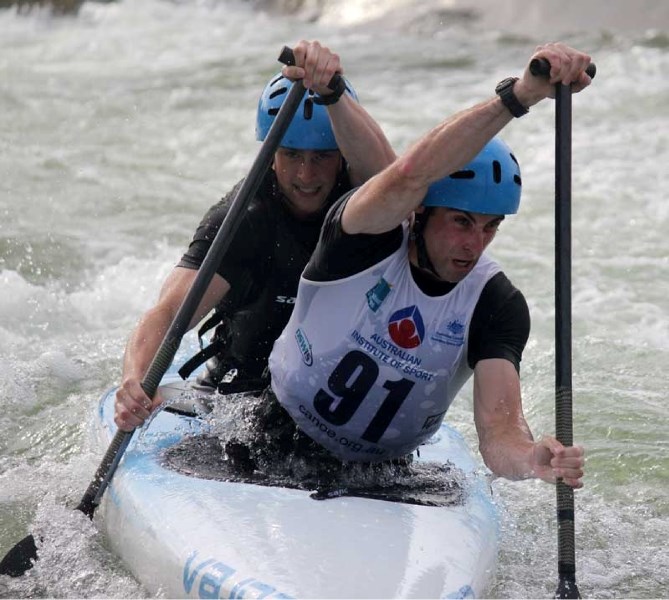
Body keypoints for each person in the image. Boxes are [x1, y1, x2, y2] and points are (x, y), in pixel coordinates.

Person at [262, 42, 592, 488]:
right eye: (460, 222)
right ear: (420, 214)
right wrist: (520, 96)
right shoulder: (364, 237)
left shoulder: (495, 302)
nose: (474, 244)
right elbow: (408, 174)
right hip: (273, 439)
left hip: (387, 475)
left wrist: (531, 459)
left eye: (490, 227)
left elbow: (499, 432)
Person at [114, 40, 395, 432]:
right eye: (292, 155)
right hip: (238, 402)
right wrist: (135, 379)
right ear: (271, 150)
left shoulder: (365, 200)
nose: (306, 175)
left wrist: (334, 94)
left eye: (321, 157)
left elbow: (398, 181)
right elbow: (169, 311)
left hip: (341, 408)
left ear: (343, 155)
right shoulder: (242, 219)